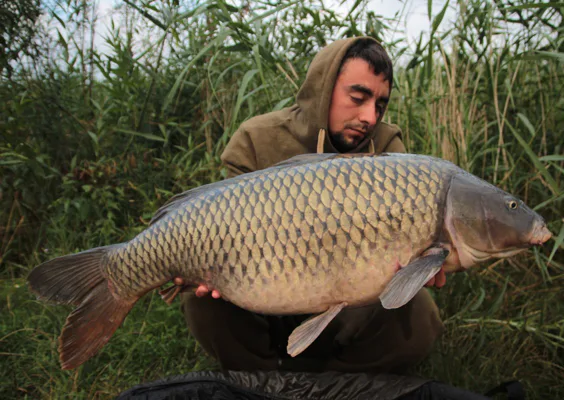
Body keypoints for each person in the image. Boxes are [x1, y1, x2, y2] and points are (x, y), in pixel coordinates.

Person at [179, 36, 446, 374]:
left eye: (380, 105)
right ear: (324, 88)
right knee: (202, 301)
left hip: (350, 304)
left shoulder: (387, 150)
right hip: (262, 295)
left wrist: (420, 263)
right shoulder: (257, 139)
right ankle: (262, 382)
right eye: (358, 98)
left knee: (419, 313)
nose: (369, 117)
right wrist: (208, 265)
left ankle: (339, 384)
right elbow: (223, 221)